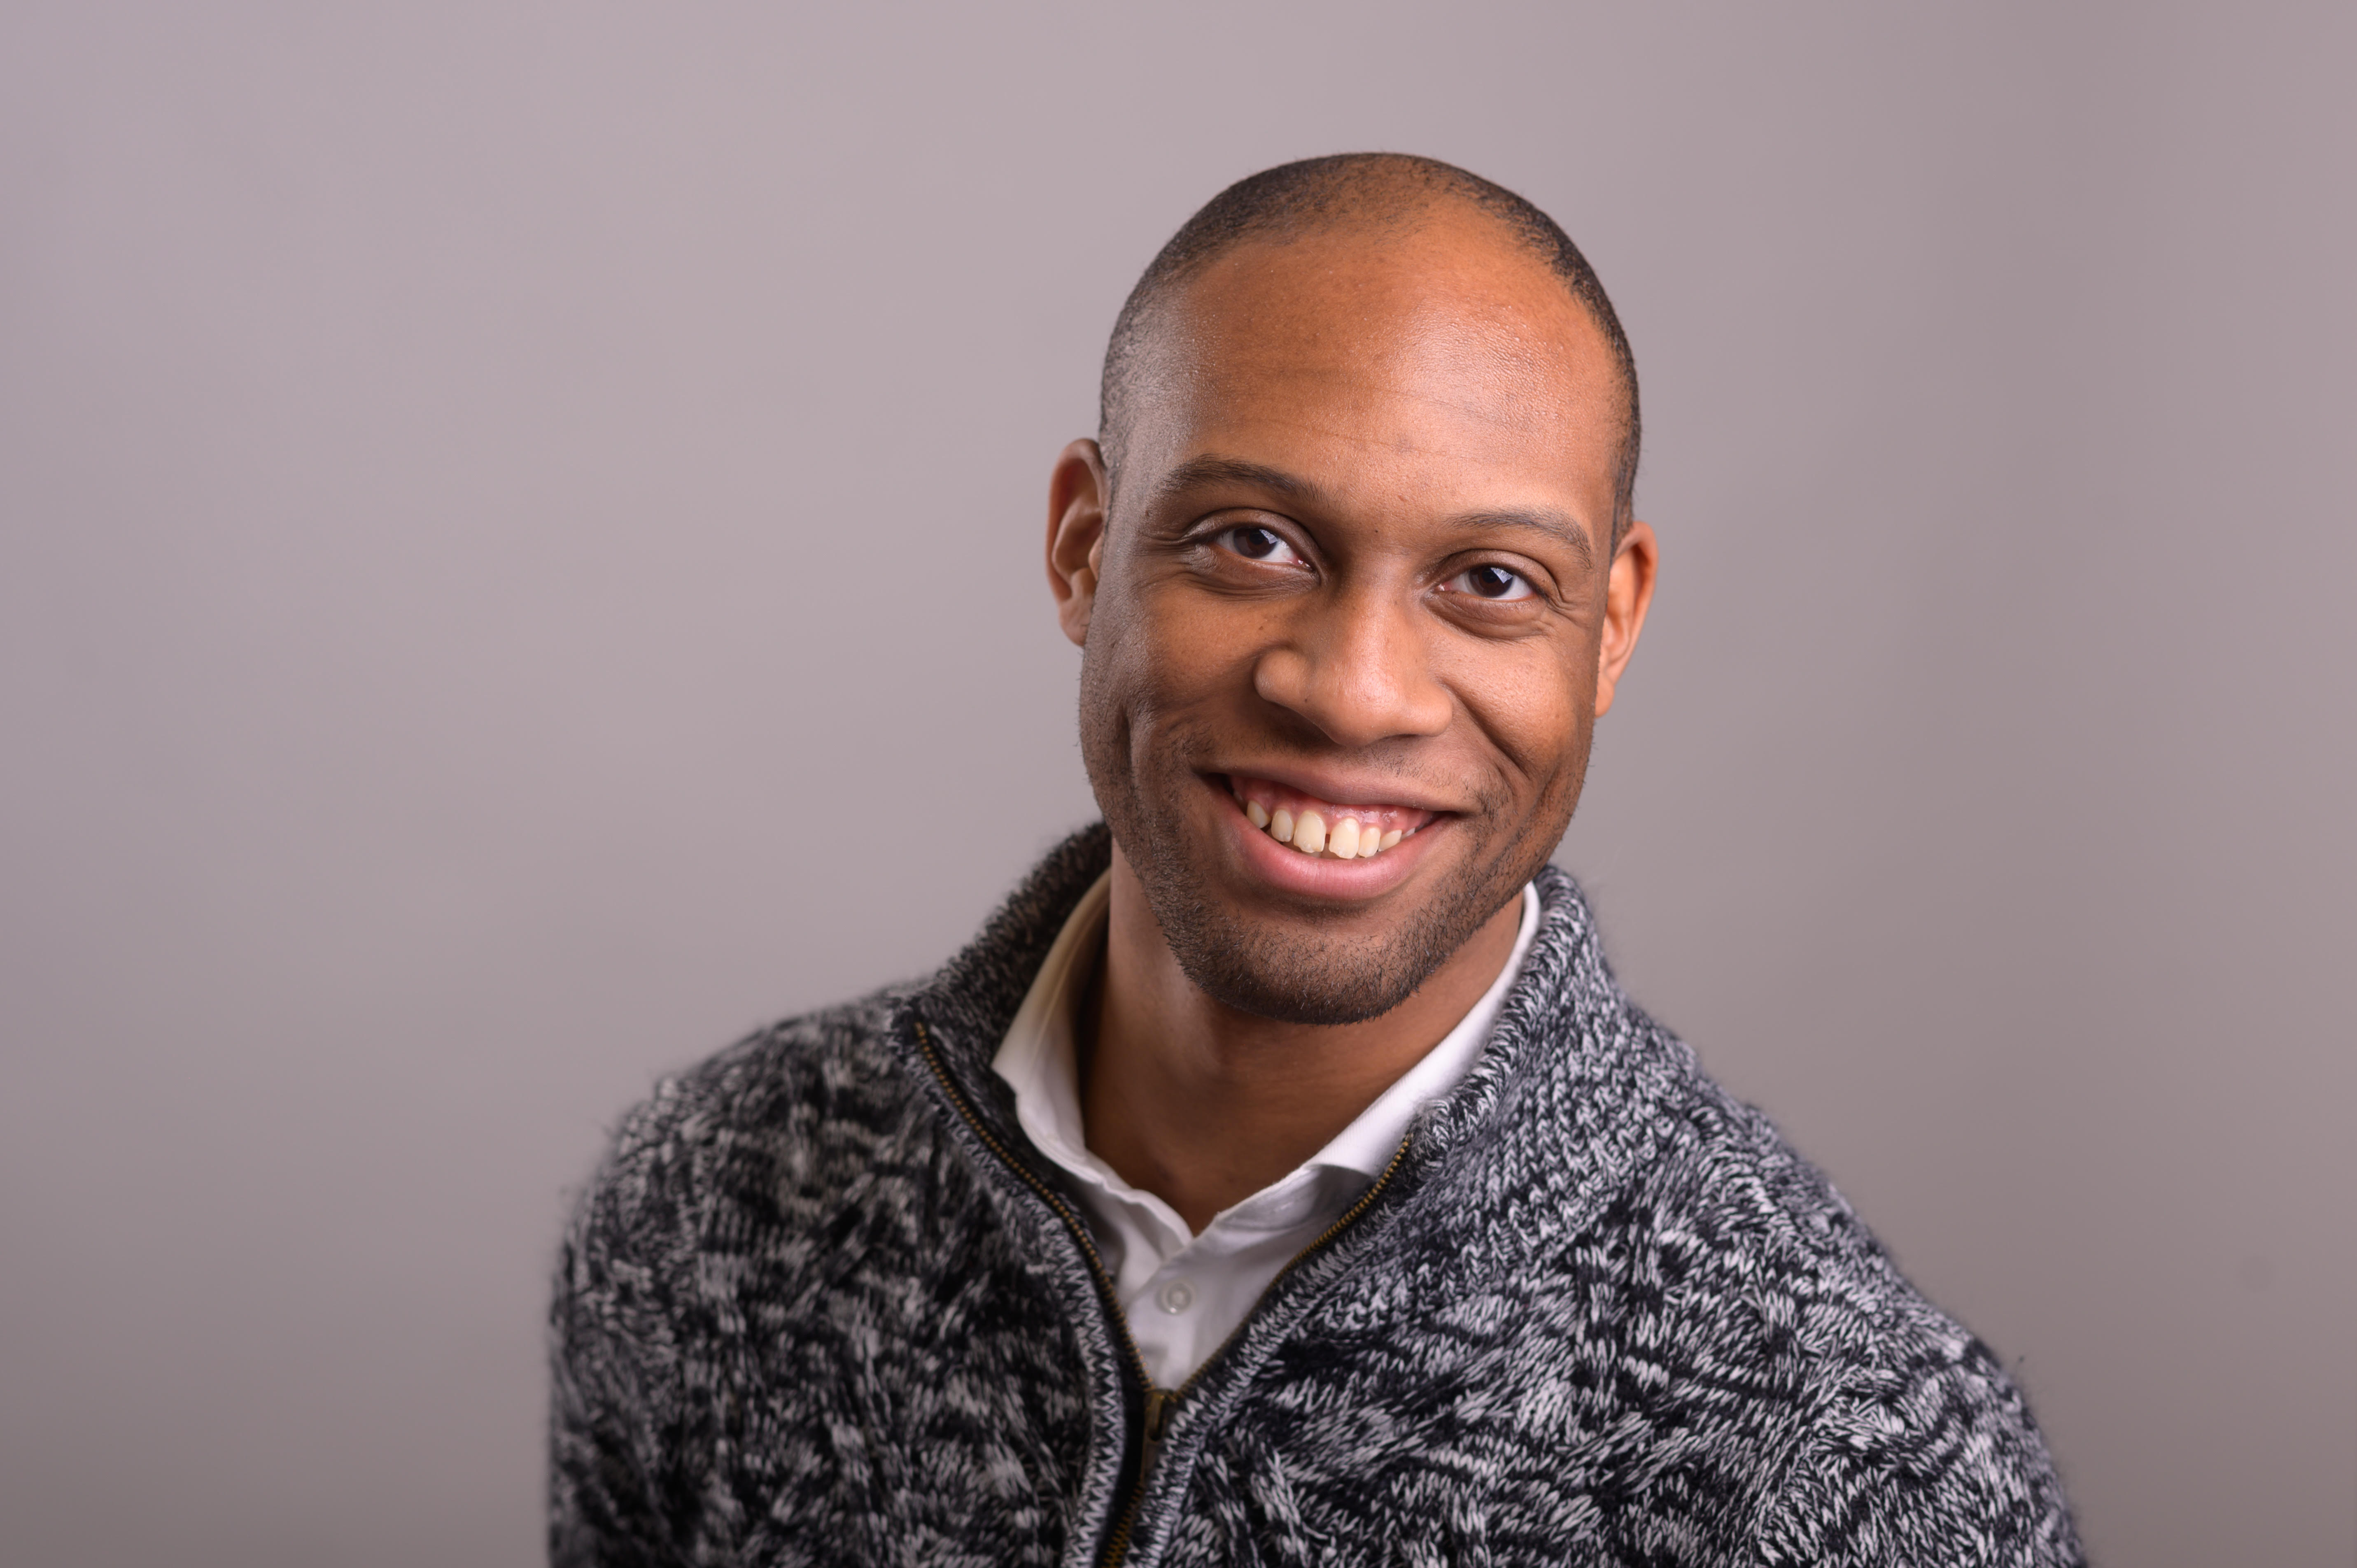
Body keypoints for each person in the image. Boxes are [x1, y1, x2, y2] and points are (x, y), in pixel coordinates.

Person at [549, 154, 2082, 1567]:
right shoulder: (717, 1196)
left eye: (1492, 581)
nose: (1353, 691)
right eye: (1253, 541)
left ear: (1611, 623)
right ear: (1085, 544)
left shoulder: (1855, 1460)